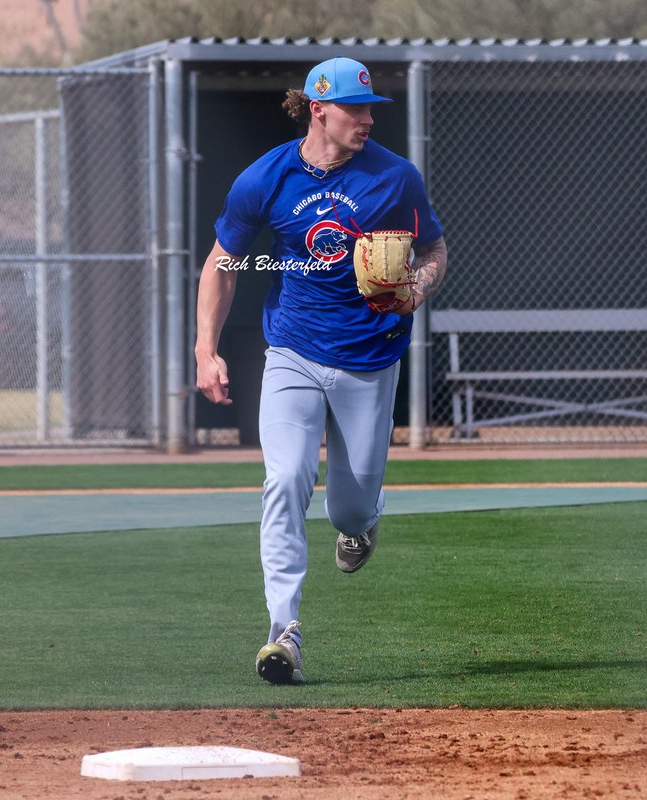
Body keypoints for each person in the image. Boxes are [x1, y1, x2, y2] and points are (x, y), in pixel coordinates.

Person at [194, 56, 448, 683]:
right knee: (284, 479)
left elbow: (435, 248)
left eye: (370, 109)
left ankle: (360, 526)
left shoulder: (396, 177)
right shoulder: (267, 178)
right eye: (354, 109)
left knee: (351, 508)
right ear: (317, 109)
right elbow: (224, 263)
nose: (366, 119)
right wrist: (206, 349)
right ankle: (283, 631)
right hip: (293, 352)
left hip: (370, 358)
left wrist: (415, 286)